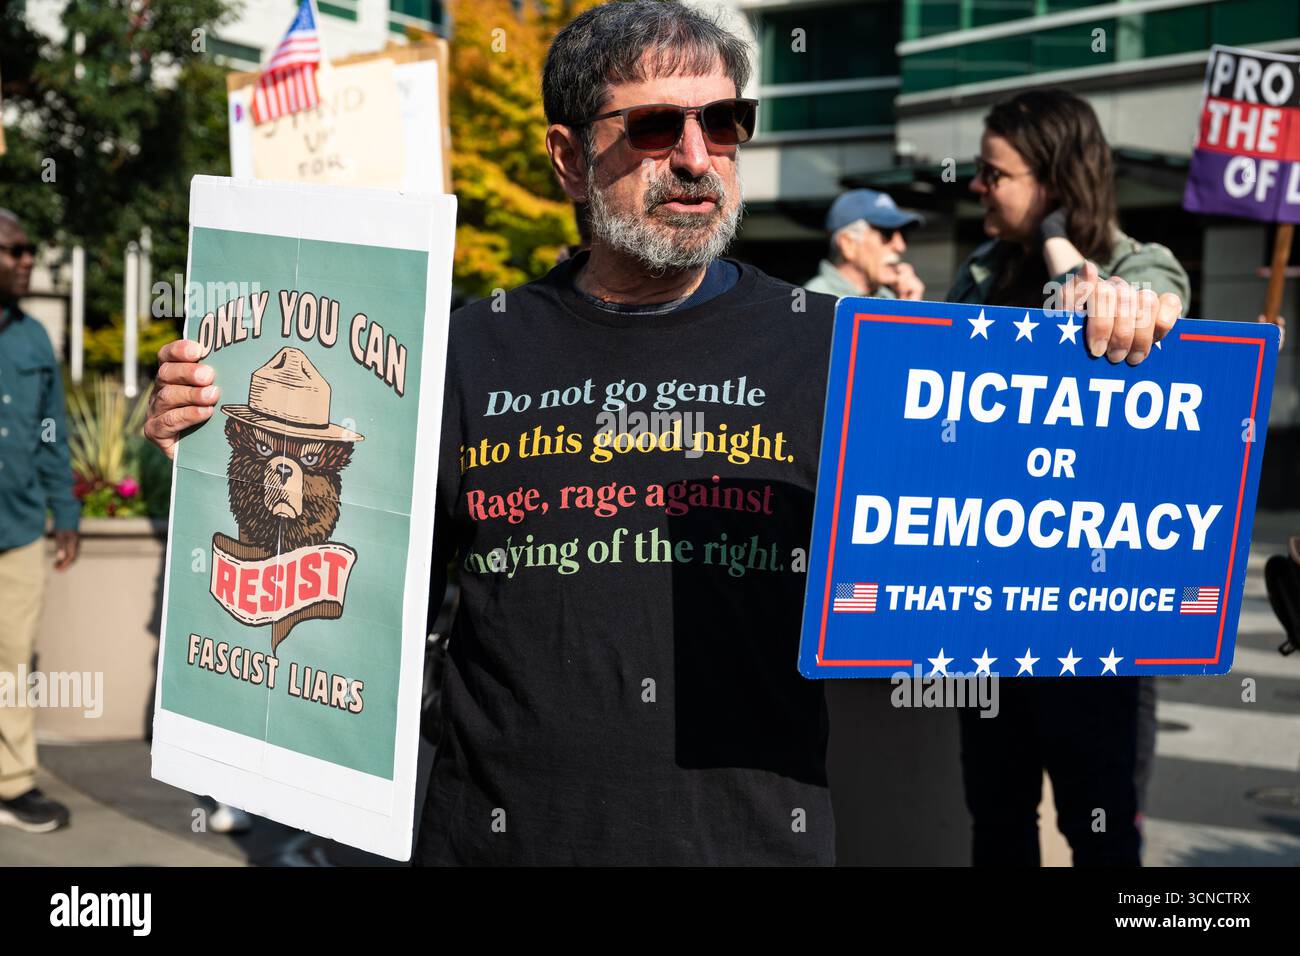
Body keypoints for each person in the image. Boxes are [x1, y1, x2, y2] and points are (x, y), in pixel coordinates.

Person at [142, 2, 1178, 865]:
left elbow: (1030, 498)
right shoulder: (462, 351)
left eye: (723, 123)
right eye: (651, 128)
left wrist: (1117, 340)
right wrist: (204, 439)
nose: (695, 158)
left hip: (753, 845)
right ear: (565, 155)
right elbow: (343, 577)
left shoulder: (847, 348)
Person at [947, 88, 1190, 866]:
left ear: (1052, 182)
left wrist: (1059, 243)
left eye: (995, 174)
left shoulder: (1140, 267)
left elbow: (1130, 318)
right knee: (997, 823)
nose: (978, 187)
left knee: (1102, 831)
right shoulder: (981, 273)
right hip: (988, 615)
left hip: (1095, 625)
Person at [0, 209, 79, 833]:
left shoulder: (32, 341)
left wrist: (67, 511)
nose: (27, 260)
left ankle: (11, 783)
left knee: (11, 660)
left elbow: (54, 433)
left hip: (19, 527)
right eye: (14, 251)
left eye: (29, 250)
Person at [804, 189, 925, 300]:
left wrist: (909, 309)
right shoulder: (814, 301)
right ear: (848, 244)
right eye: (886, 233)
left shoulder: (892, 298)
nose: (900, 246)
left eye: (903, 234)